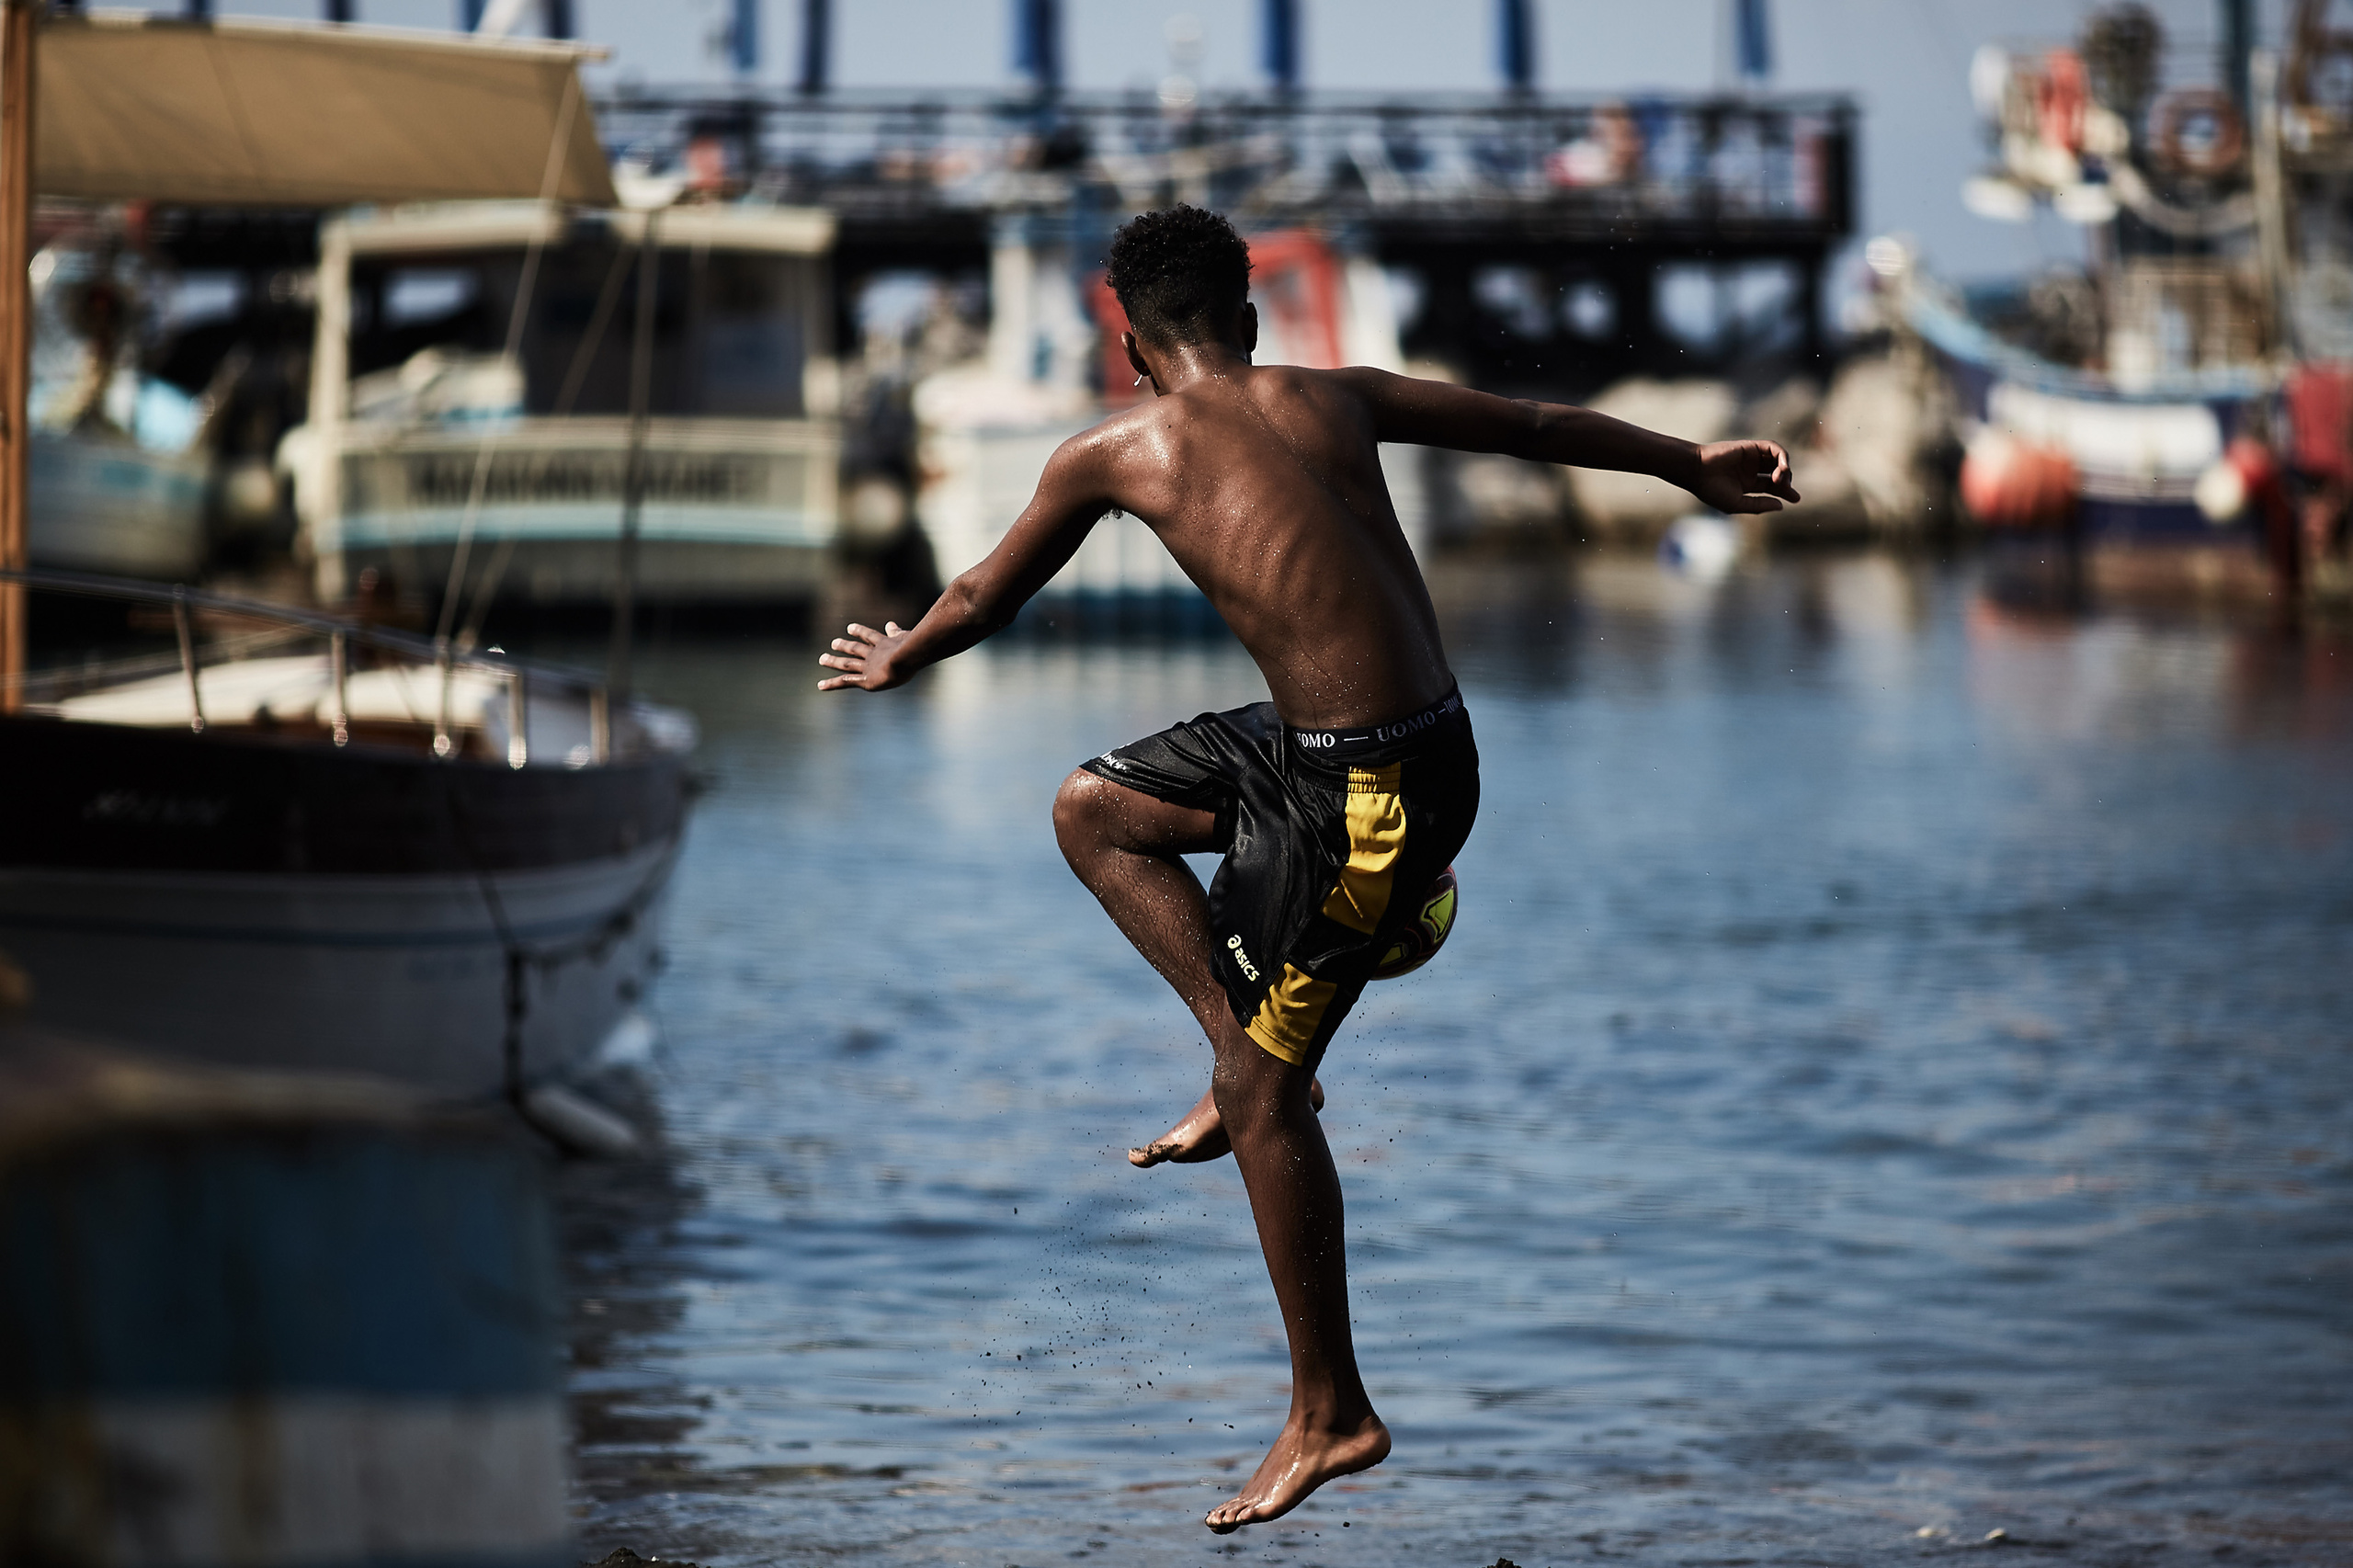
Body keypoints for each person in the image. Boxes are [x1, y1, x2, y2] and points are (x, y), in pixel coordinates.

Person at [818, 205, 1798, 1533]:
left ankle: (1331, 1407)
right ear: (1252, 315)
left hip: (1375, 794)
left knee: (1268, 1100)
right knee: (1095, 808)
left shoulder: (1114, 449)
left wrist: (901, 657)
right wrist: (1690, 463)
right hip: (1366, 748)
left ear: (1132, 341)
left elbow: (986, 597)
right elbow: (1535, 426)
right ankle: (1247, 1054)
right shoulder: (1331, 393)